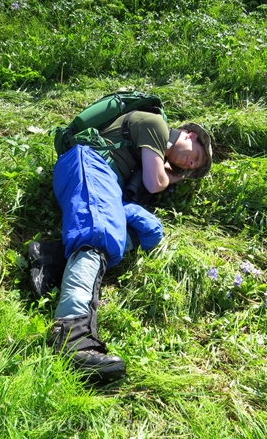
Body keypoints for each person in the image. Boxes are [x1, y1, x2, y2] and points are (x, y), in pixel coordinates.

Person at [29, 108, 213, 383]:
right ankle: (71, 339)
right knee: (100, 235)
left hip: (104, 182)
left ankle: (50, 259)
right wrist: (170, 178)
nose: (189, 165)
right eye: (195, 157)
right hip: (90, 164)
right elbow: (154, 182)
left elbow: (145, 188)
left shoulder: (141, 158)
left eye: (192, 169)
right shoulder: (156, 124)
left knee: (151, 231)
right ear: (189, 134)